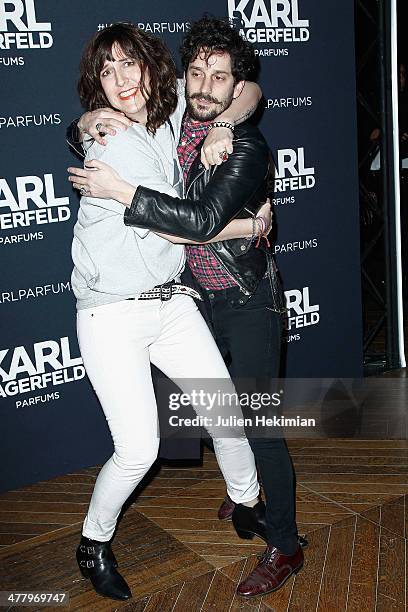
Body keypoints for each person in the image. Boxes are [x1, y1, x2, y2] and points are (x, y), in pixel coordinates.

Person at [68, 17, 304, 598]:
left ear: (152, 68)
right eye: (107, 68)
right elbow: (187, 222)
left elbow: (246, 88)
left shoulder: (173, 116)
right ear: (97, 82)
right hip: (112, 312)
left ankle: (250, 505)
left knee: (228, 413)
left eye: (130, 62)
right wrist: (85, 125)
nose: (120, 77)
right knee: (139, 447)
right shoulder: (107, 137)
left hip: (174, 302)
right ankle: (93, 541)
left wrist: (224, 122)